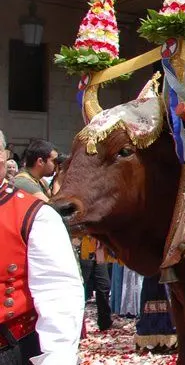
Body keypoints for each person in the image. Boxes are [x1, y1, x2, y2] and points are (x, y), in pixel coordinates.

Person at [0, 130, 84, 364]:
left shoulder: (35, 214)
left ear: (5, 156)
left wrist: (58, 356)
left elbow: (57, 289)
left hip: (10, 349)